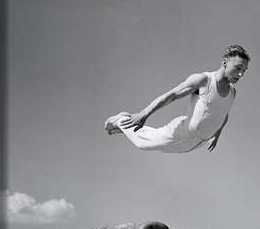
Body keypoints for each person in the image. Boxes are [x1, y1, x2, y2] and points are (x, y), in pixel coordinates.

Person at [104, 44, 250, 153]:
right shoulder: (204, 80)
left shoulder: (232, 93)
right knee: (143, 144)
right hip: (181, 132)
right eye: (238, 68)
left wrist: (217, 134)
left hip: (196, 143)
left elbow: (223, 114)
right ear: (225, 63)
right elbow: (171, 96)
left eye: (244, 70)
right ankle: (122, 120)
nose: (241, 74)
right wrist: (144, 114)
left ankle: (124, 129)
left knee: (155, 145)